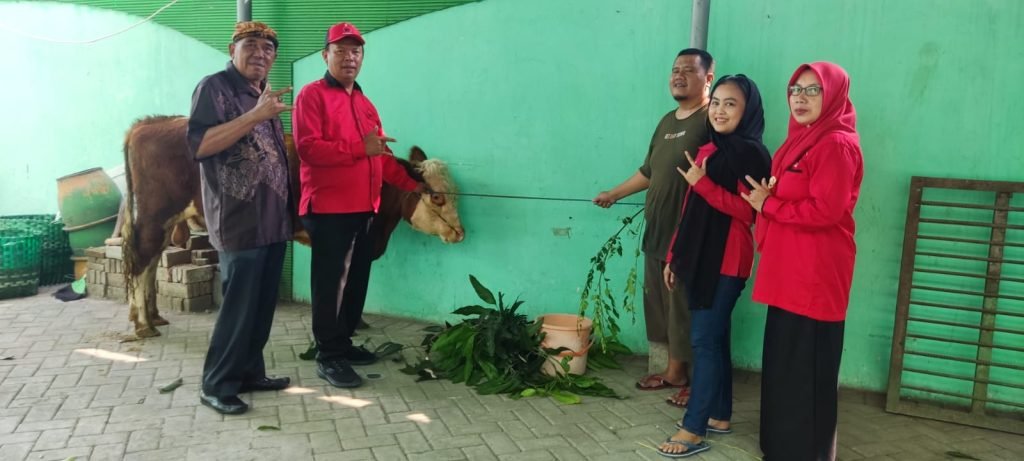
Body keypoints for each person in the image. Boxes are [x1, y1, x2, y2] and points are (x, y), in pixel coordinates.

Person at [292, 22, 427, 389]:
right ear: (326, 56)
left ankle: (344, 343)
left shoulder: (366, 104)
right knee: (330, 285)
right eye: (341, 50)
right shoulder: (312, 96)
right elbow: (307, 149)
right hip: (328, 209)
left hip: (365, 208)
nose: (349, 57)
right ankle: (329, 356)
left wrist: (415, 186)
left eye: (356, 51)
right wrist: (358, 149)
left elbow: (380, 159)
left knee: (355, 283)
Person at [741, 62, 863, 461]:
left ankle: (807, 452)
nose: (800, 97)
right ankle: (782, 446)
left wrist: (769, 205)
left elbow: (827, 211)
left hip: (814, 275)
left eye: (813, 90)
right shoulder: (801, 141)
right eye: (795, 88)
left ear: (834, 97)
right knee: (786, 362)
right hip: (790, 272)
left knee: (808, 366)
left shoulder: (835, 144)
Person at [656, 75, 771, 457]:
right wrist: (675, 255)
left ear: (748, 110)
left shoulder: (752, 154)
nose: (720, 111)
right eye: (717, 102)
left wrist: (703, 184)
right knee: (715, 338)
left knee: (703, 340)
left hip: (726, 259)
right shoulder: (708, 149)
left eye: (731, 104)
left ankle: (694, 428)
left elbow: (750, 212)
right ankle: (719, 415)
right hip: (700, 257)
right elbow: (690, 211)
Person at [593, 49, 714, 406]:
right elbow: (649, 172)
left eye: (689, 71)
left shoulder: (711, 119)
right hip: (658, 232)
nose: (678, 76)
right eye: (675, 70)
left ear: (708, 79)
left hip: (688, 236)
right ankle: (674, 372)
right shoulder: (667, 121)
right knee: (662, 305)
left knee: (687, 306)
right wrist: (613, 194)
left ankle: (697, 380)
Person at [188, 21, 294, 415]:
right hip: (239, 221)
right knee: (238, 309)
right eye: (251, 45)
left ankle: (249, 372)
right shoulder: (214, 87)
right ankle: (216, 384)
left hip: (272, 221)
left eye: (268, 49)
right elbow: (200, 145)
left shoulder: (263, 94)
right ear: (232, 49)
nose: (260, 54)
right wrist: (256, 114)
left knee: (262, 307)